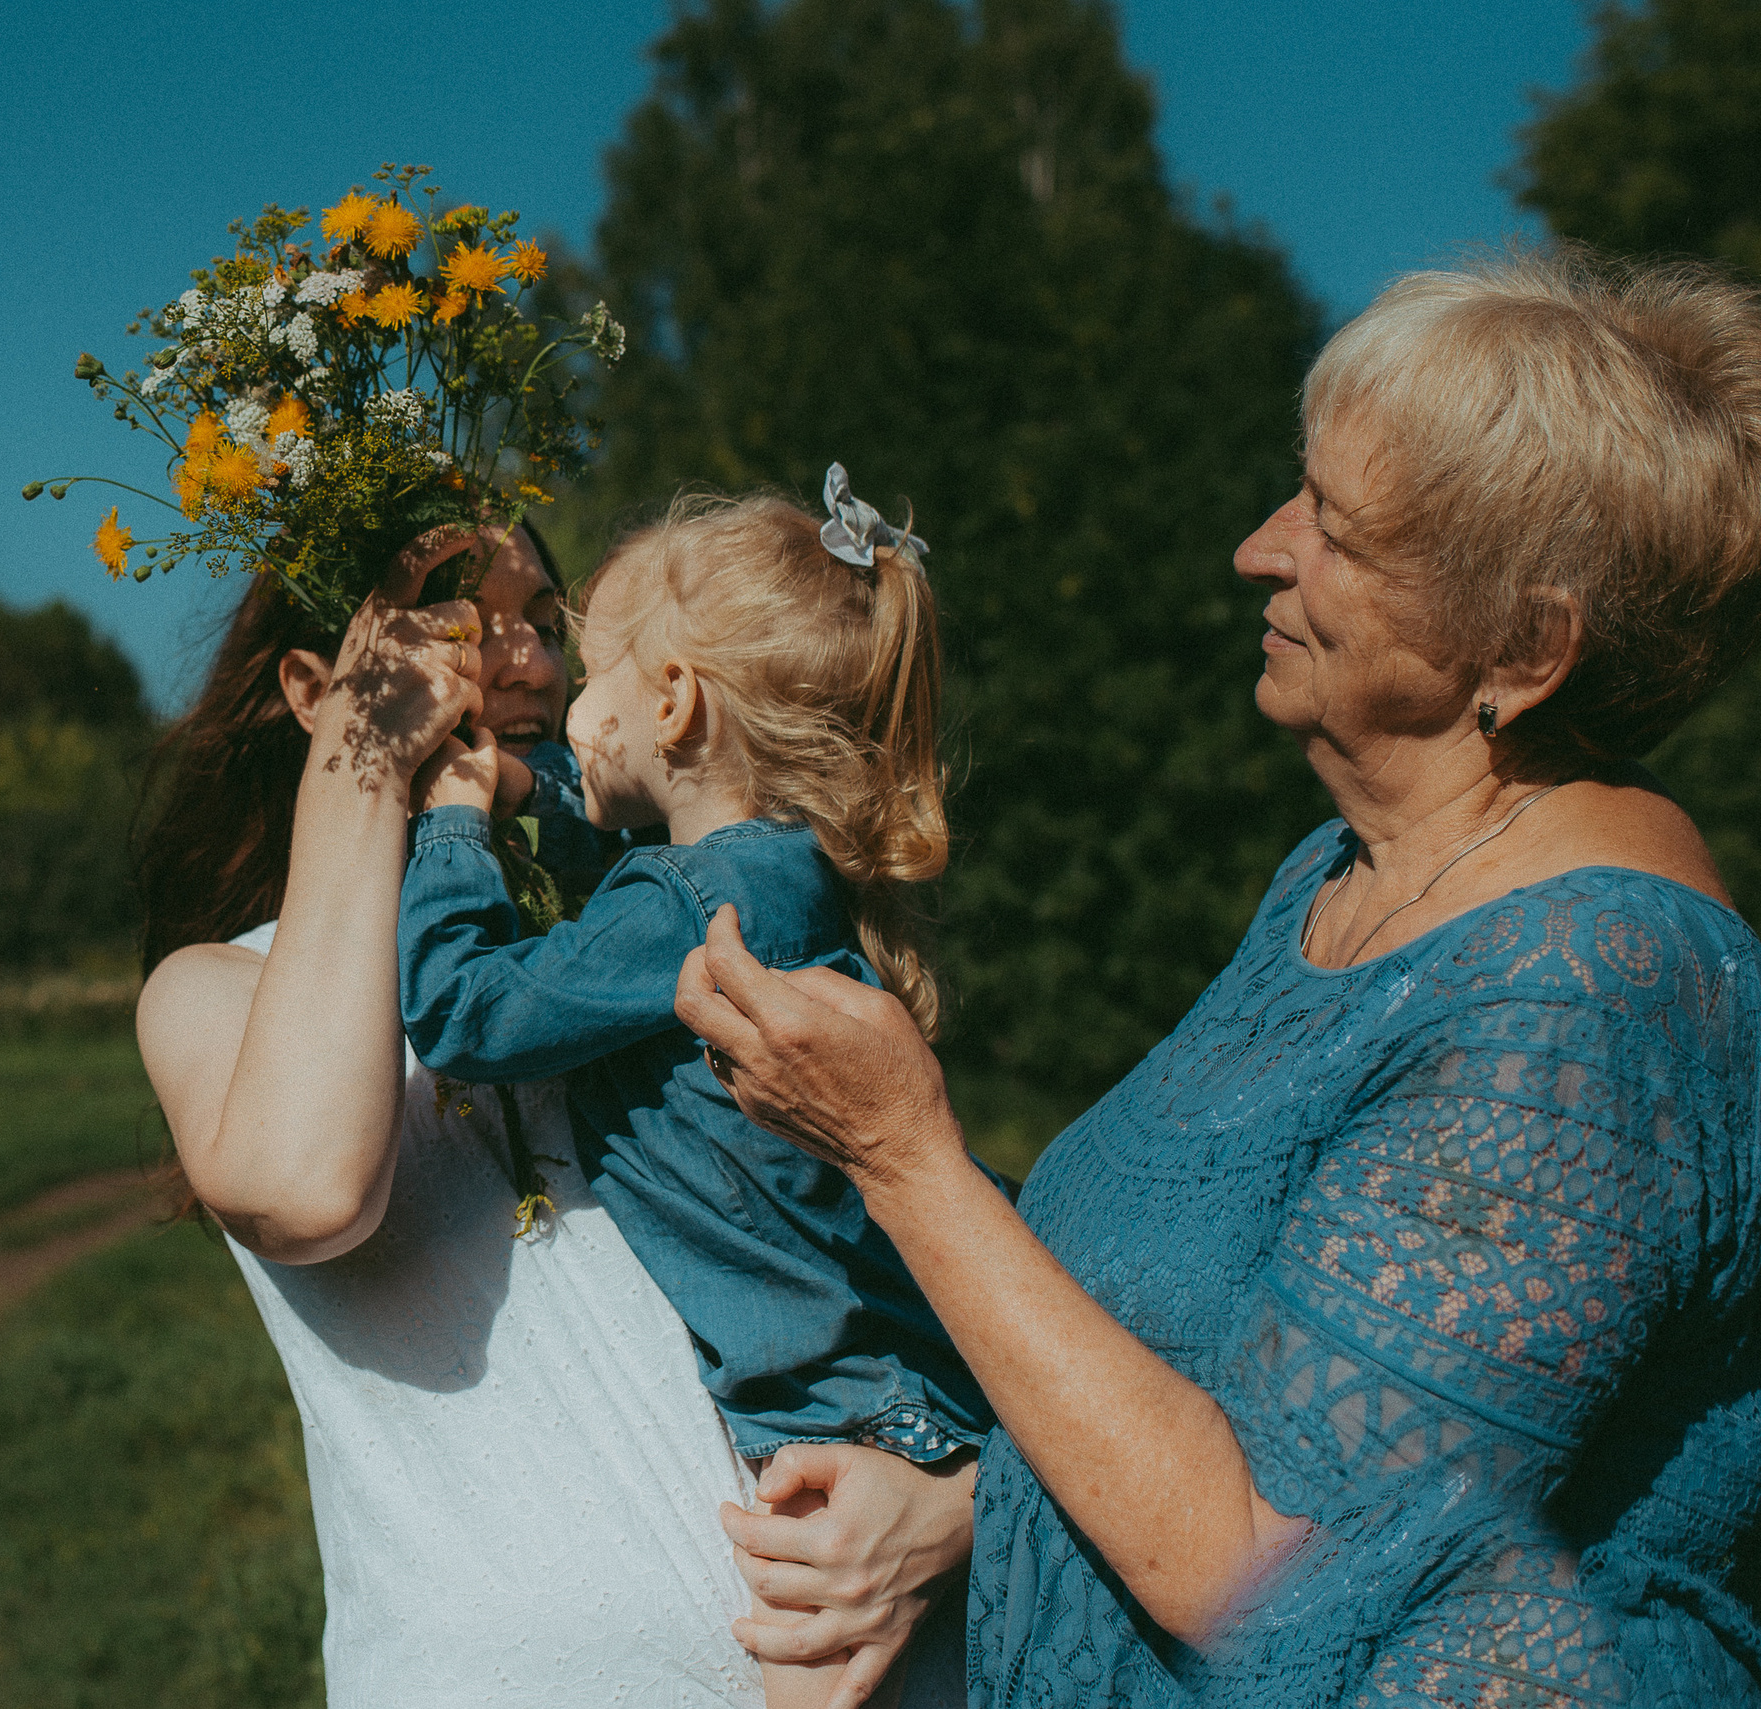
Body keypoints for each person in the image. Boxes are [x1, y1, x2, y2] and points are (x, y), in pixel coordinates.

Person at [675, 245, 1761, 1707]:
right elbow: (1232, 1398)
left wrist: (900, 1152)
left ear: (1528, 643)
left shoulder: (1589, 1007)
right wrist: (965, 1519)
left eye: (1340, 530)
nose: (1260, 547)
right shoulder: (1339, 880)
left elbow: (1283, 1565)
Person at [134, 522, 975, 1708]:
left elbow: (904, 1272)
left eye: (544, 617)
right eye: (462, 618)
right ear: (322, 691)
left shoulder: (651, 936)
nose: (528, 658)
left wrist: (957, 1508)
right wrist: (375, 762)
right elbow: (307, 1184)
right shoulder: (220, 988)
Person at [394, 482, 993, 1709]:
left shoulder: (677, 911)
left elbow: (466, 1012)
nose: (567, 711)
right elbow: (614, 818)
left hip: (839, 1420)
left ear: (671, 701)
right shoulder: (772, 871)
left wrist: (453, 824)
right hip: (890, 1386)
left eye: (588, 679)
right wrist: (531, 793)